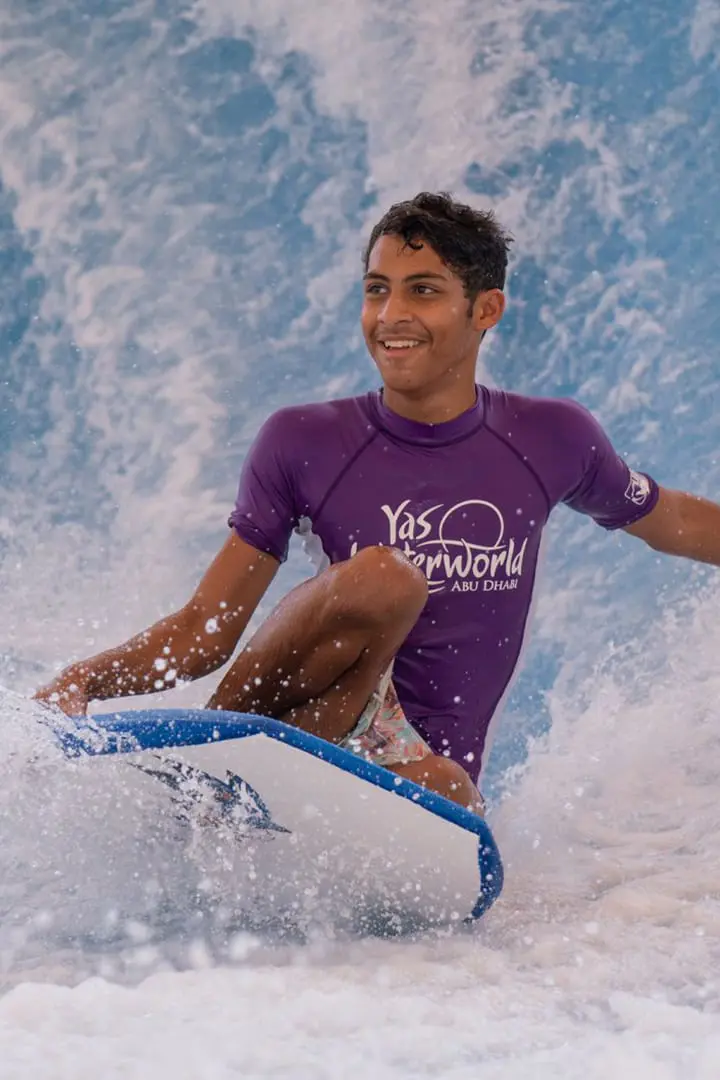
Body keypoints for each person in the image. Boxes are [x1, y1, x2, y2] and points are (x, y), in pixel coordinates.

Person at [34, 192, 720, 816]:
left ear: (485, 310)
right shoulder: (304, 441)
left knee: (450, 787)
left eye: (423, 291)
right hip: (299, 724)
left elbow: (673, 520)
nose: (391, 316)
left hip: (407, 783)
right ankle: (215, 781)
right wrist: (81, 683)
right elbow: (205, 630)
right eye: (376, 290)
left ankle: (273, 797)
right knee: (385, 580)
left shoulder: (550, 438)